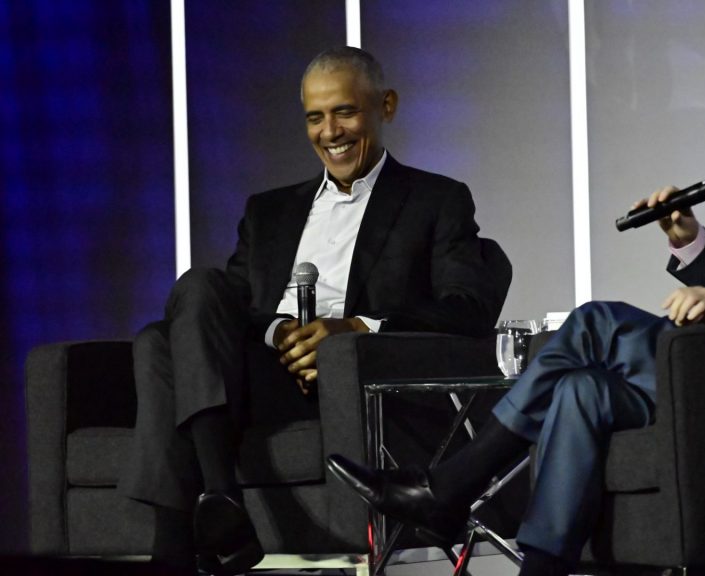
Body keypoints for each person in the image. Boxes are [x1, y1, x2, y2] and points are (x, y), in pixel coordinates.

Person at [328, 16, 705, 576]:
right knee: (580, 389)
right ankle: (541, 567)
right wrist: (693, 243)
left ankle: (447, 489)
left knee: (594, 324)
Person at [119, 47, 501, 575]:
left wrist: (355, 330)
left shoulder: (436, 200)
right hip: (256, 375)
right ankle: (221, 496)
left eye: (345, 112)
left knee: (156, 346)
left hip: (345, 384)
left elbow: (468, 309)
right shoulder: (268, 211)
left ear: (385, 106)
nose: (331, 132)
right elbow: (230, 311)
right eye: (315, 117)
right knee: (192, 297)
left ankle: (179, 546)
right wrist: (280, 333)